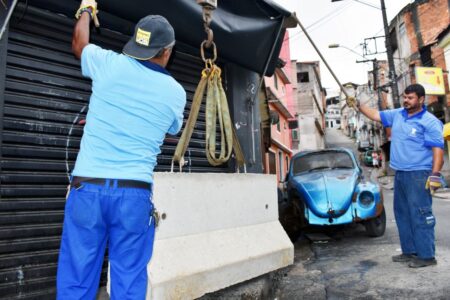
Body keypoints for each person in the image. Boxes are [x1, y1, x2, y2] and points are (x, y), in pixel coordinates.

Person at [56, 0, 186, 298]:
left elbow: (79, 43)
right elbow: (170, 130)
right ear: (167, 51)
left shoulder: (108, 64)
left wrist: (87, 10)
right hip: (133, 195)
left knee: (76, 277)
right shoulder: (175, 93)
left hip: (87, 190)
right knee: (129, 279)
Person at [355, 83, 444, 268]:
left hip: (419, 174)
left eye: (410, 98)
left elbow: (438, 152)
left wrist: (435, 175)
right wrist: (358, 105)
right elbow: (376, 115)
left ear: (421, 99)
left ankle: (427, 256)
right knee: (402, 214)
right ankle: (409, 251)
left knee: (420, 214)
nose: (405, 100)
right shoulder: (398, 115)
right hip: (401, 174)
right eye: (405, 97)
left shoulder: (429, 121)